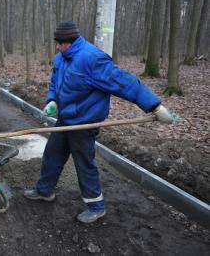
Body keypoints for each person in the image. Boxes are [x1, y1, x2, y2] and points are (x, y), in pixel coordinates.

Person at [23, 21, 175, 224]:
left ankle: (96, 206)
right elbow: (55, 82)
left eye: (60, 43)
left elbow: (125, 82)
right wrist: (52, 100)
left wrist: (154, 106)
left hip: (84, 124)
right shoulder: (61, 58)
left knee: (84, 164)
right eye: (56, 43)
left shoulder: (92, 59)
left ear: (71, 42)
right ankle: (44, 191)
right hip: (64, 120)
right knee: (52, 154)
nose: (57, 47)